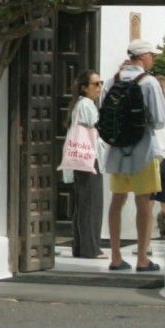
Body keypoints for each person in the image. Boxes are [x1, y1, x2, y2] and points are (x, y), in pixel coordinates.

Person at [100, 40, 165, 272]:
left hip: (118, 151)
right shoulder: (149, 82)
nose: (154, 58)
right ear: (143, 56)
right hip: (144, 151)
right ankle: (142, 258)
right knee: (144, 204)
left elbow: (104, 115)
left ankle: (116, 258)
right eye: (152, 54)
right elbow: (160, 120)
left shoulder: (112, 81)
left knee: (116, 201)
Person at [58, 70, 106, 259]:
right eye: (95, 84)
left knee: (83, 204)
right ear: (84, 87)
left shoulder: (79, 104)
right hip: (89, 159)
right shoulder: (86, 104)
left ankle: (80, 247)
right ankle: (91, 248)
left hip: (82, 159)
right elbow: (95, 125)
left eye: (100, 83)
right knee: (92, 204)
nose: (99, 87)